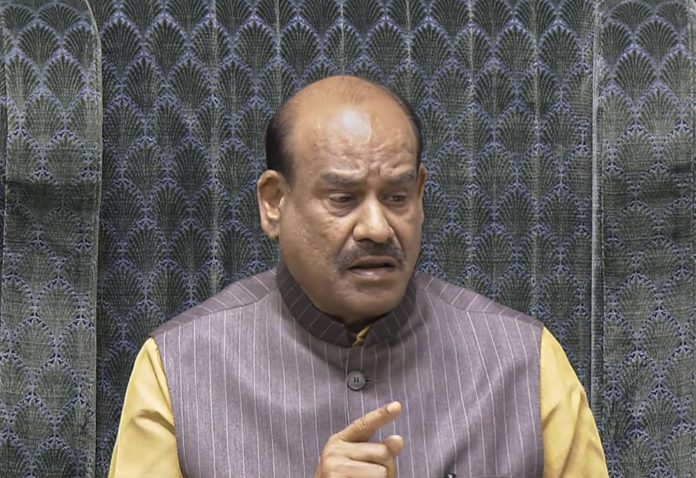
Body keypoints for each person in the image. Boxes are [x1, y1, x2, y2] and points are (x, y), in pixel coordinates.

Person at [109, 76, 608, 477]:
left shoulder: (524, 363)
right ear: (274, 203)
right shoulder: (178, 368)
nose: (377, 228)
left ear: (421, 194)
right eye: (343, 199)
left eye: (397, 197)